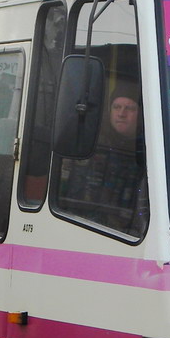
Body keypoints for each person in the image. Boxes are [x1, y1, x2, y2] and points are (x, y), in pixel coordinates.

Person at [57, 82, 149, 236]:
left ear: (141, 114)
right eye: (116, 107)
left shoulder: (149, 151)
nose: (121, 113)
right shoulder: (92, 144)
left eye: (130, 108)